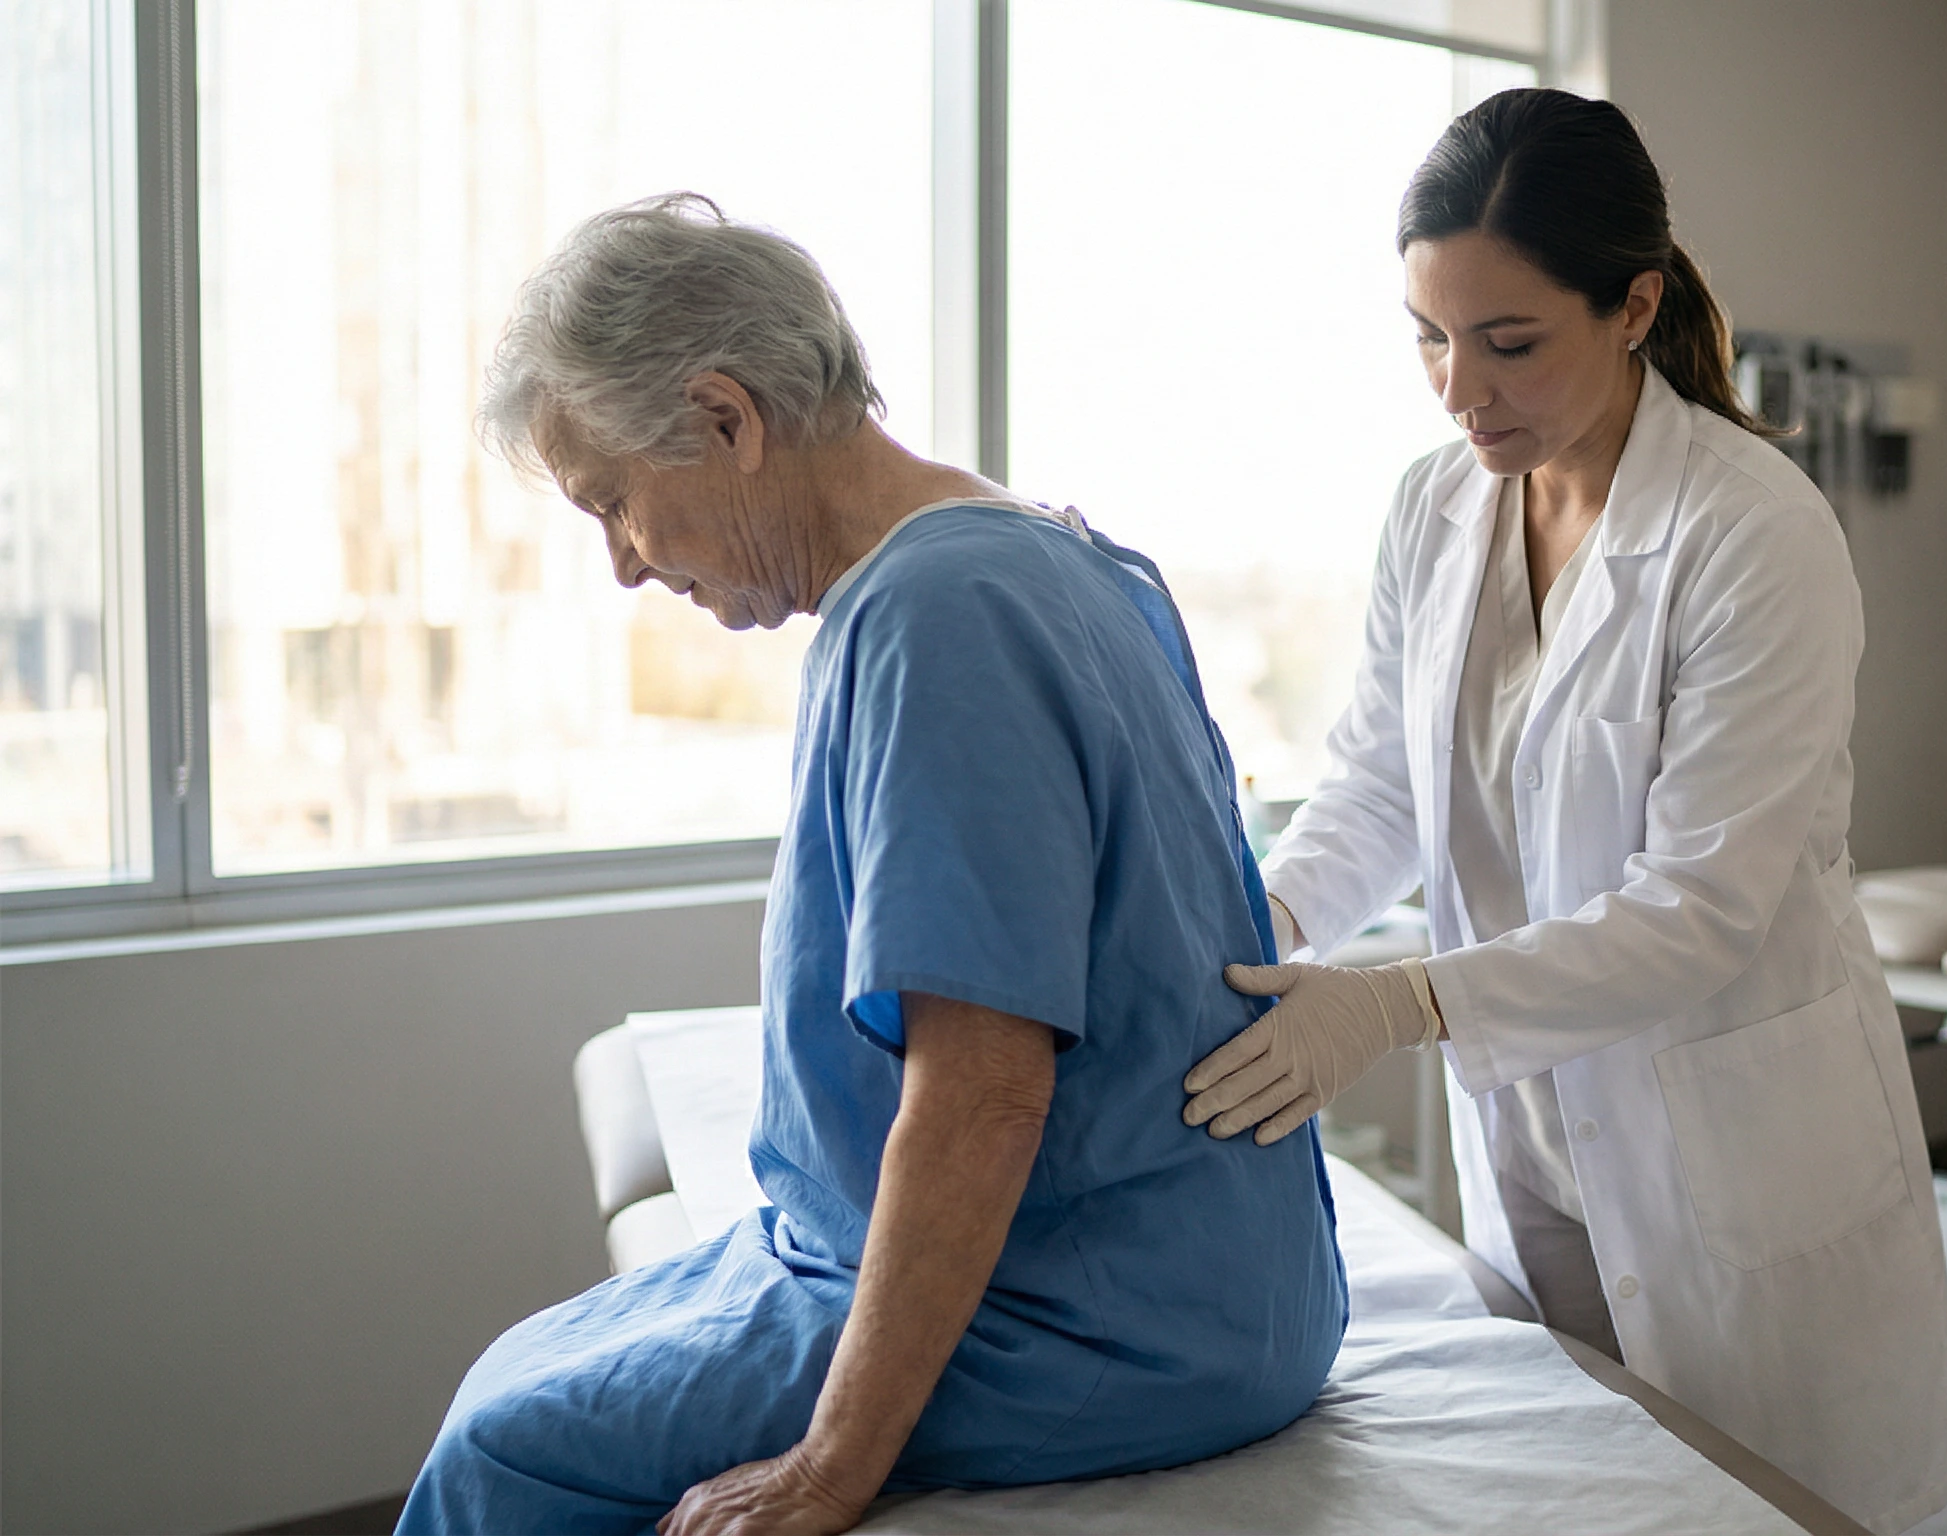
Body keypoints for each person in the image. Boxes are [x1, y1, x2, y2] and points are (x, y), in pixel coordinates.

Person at [398, 194, 1344, 1536]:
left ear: (727, 420)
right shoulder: (1066, 554)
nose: (621, 564)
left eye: (614, 502)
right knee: (518, 1371)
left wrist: (826, 1468)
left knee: (507, 1452)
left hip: (1095, 1319)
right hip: (1205, 1279)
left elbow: (982, 1092)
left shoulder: (935, 614)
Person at [1177, 89, 1947, 1535]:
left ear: (1633, 304)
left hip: (1729, 1142)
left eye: (1509, 341)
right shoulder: (1436, 507)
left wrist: (1394, 1003)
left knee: (1778, 1506)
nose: (1461, 389)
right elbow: (1380, 783)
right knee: (1590, 1490)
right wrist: (1255, 926)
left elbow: (1699, 910)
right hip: (1530, 1125)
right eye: (1430, 336)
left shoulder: (1754, 532)